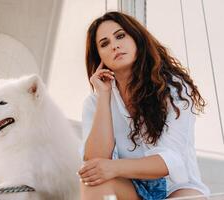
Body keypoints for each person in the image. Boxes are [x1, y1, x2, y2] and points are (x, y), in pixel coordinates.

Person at [78, 11, 210, 200]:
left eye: (120, 36)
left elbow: (169, 162)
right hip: (131, 187)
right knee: (92, 181)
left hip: (176, 186)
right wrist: (104, 96)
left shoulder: (173, 89)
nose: (114, 45)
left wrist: (113, 168)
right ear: (99, 57)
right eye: (104, 43)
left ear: (136, 39)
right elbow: (95, 161)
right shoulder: (95, 101)